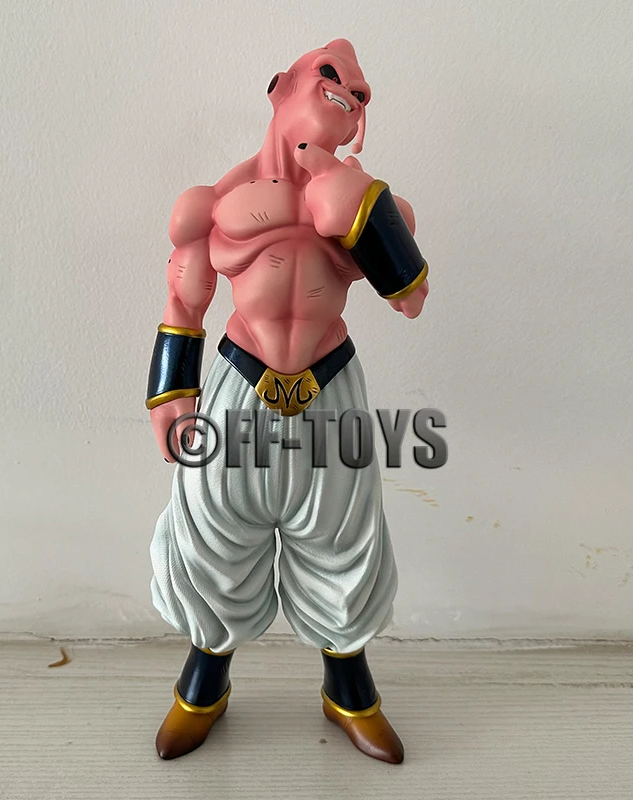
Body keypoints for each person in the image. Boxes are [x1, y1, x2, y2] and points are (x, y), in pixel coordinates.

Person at [145, 39, 429, 763]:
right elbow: (184, 296)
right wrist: (169, 390)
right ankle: (205, 683)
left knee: (344, 539)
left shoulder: (372, 202)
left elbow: (412, 296)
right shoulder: (214, 205)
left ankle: (348, 688)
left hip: (330, 384)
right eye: (332, 76)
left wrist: (361, 210)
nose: (351, 93)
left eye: (362, 93)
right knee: (211, 534)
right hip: (239, 383)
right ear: (281, 89)